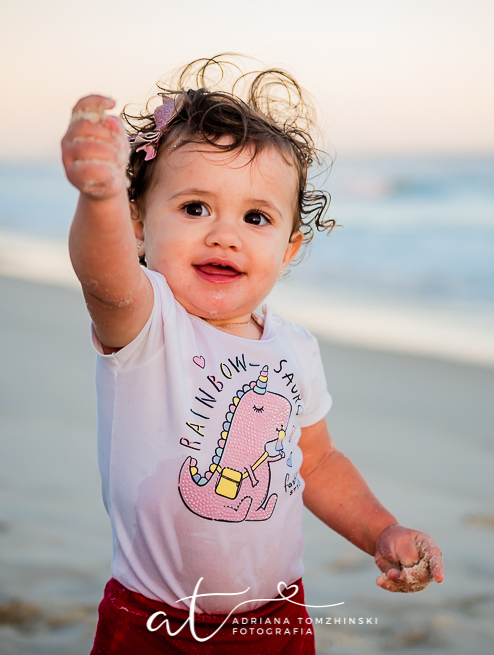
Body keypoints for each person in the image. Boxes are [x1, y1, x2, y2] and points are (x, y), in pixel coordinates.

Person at [62, 56, 444, 654]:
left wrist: (382, 530)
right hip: (154, 624)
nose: (225, 233)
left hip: (277, 620)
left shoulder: (295, 348)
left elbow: (314, 463)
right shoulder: (147, 322)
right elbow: (103, 277)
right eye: (194, 208)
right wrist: (100, 196)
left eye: (256, 217)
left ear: (289, 247)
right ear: (139, 222)